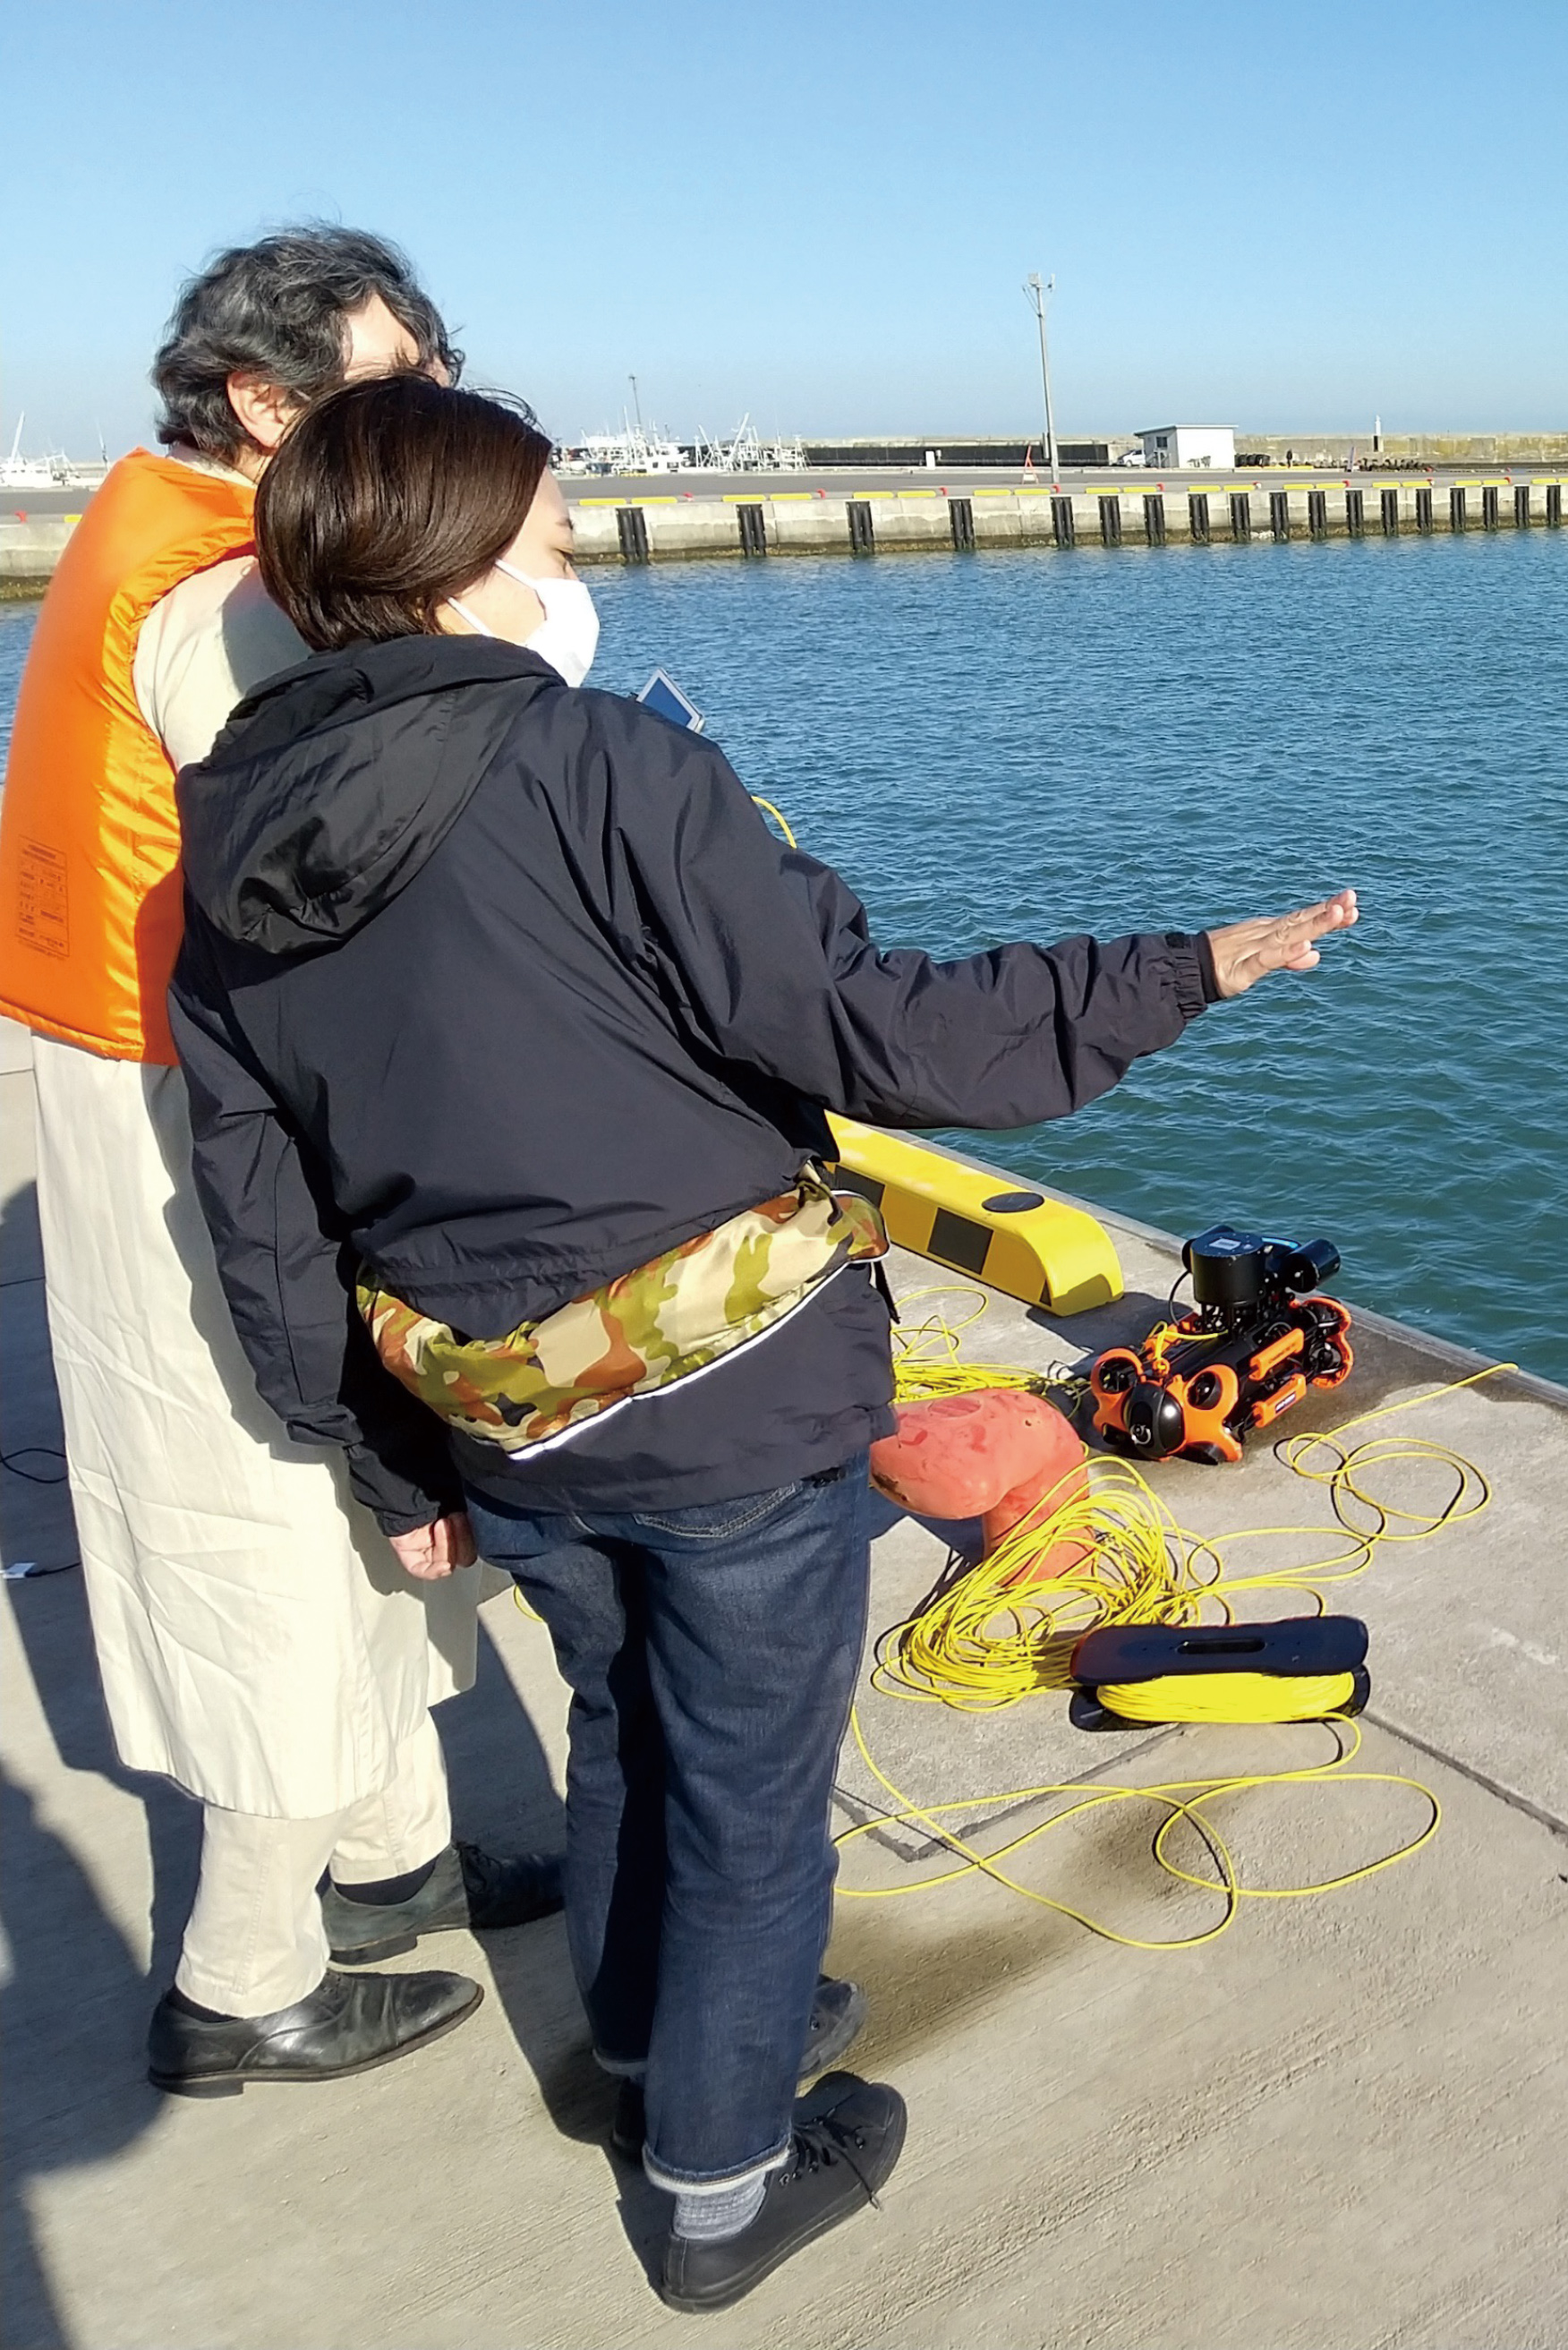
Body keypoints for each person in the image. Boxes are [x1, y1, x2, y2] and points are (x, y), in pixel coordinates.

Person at [169, 373, 1357, 2312]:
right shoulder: (601, 769)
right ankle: (717, 2180)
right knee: (744, 1792)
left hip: (502, 1419)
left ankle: (643, 2048)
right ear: (463, 567)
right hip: (726, 1404)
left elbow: (258, 1207)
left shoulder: (219, 855)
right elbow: (881, 1032)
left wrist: (381, 1463)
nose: (573, 572)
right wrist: (1179, 968)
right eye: (555, 539)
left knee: (623, 1720)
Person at [0, 228, 561, 2096]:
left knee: (341, 1477)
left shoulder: (151, 521)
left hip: (161, 1047)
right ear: (264, 401)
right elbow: (470, 673)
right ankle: (242, 1978)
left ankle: (384, 1860)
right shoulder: (220, 589)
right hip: (179, 1083)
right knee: (261, 1491)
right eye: (393, 379)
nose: (425, 414)